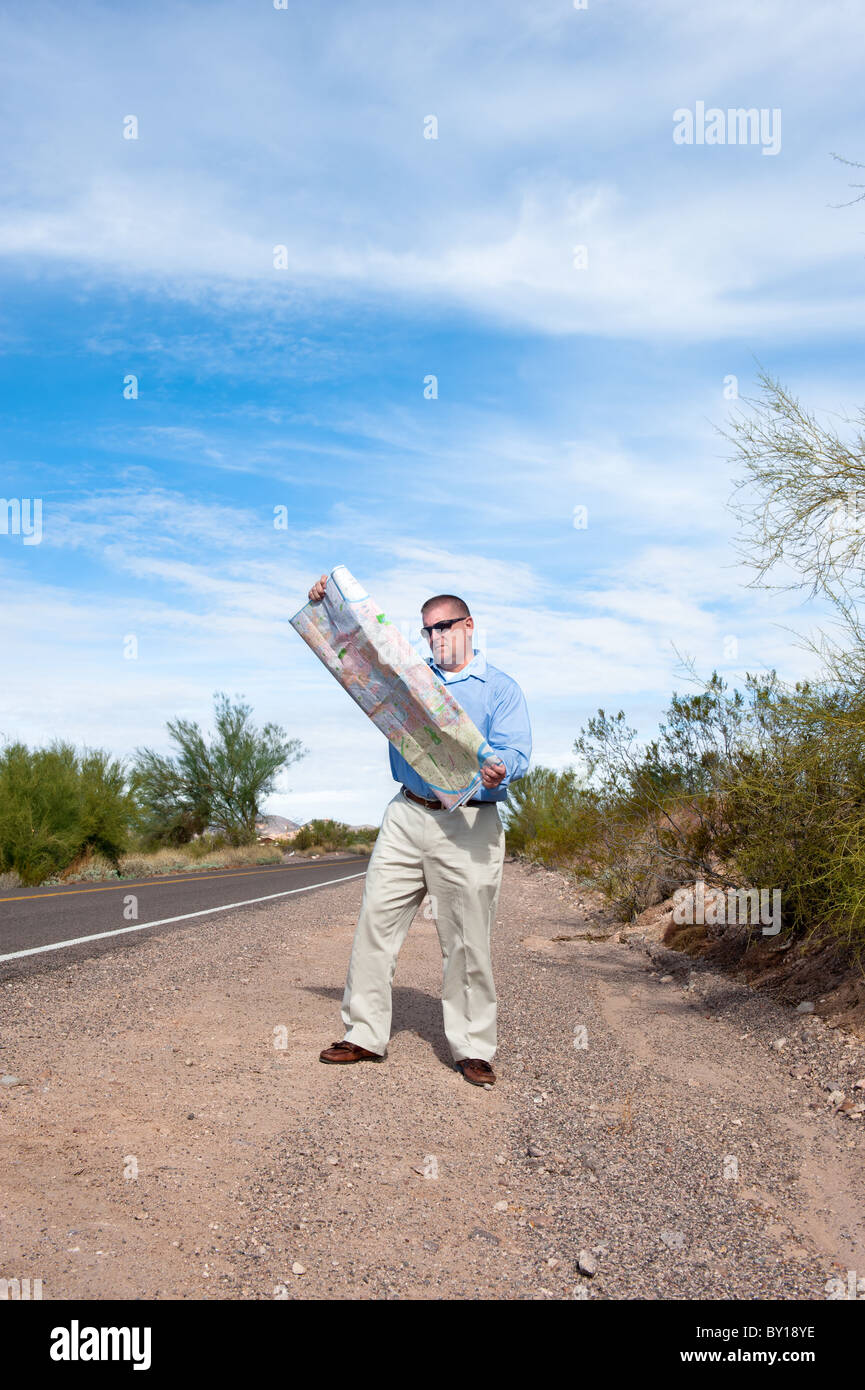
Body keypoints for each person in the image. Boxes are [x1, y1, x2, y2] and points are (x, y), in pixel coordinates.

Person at [309, 572, 532, 1086]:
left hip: (471, 822)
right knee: (375, 923)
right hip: (407, 814)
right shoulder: (410, 677)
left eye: (444, 627)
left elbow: (518, 753)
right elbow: (354, 650)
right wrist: (327, 605)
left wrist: (501, 767)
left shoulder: (500, 689)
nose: (434, 638)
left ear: (469, 626)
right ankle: (363, 1035)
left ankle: (472, 1048)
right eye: (427, 630)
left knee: (467, 941)